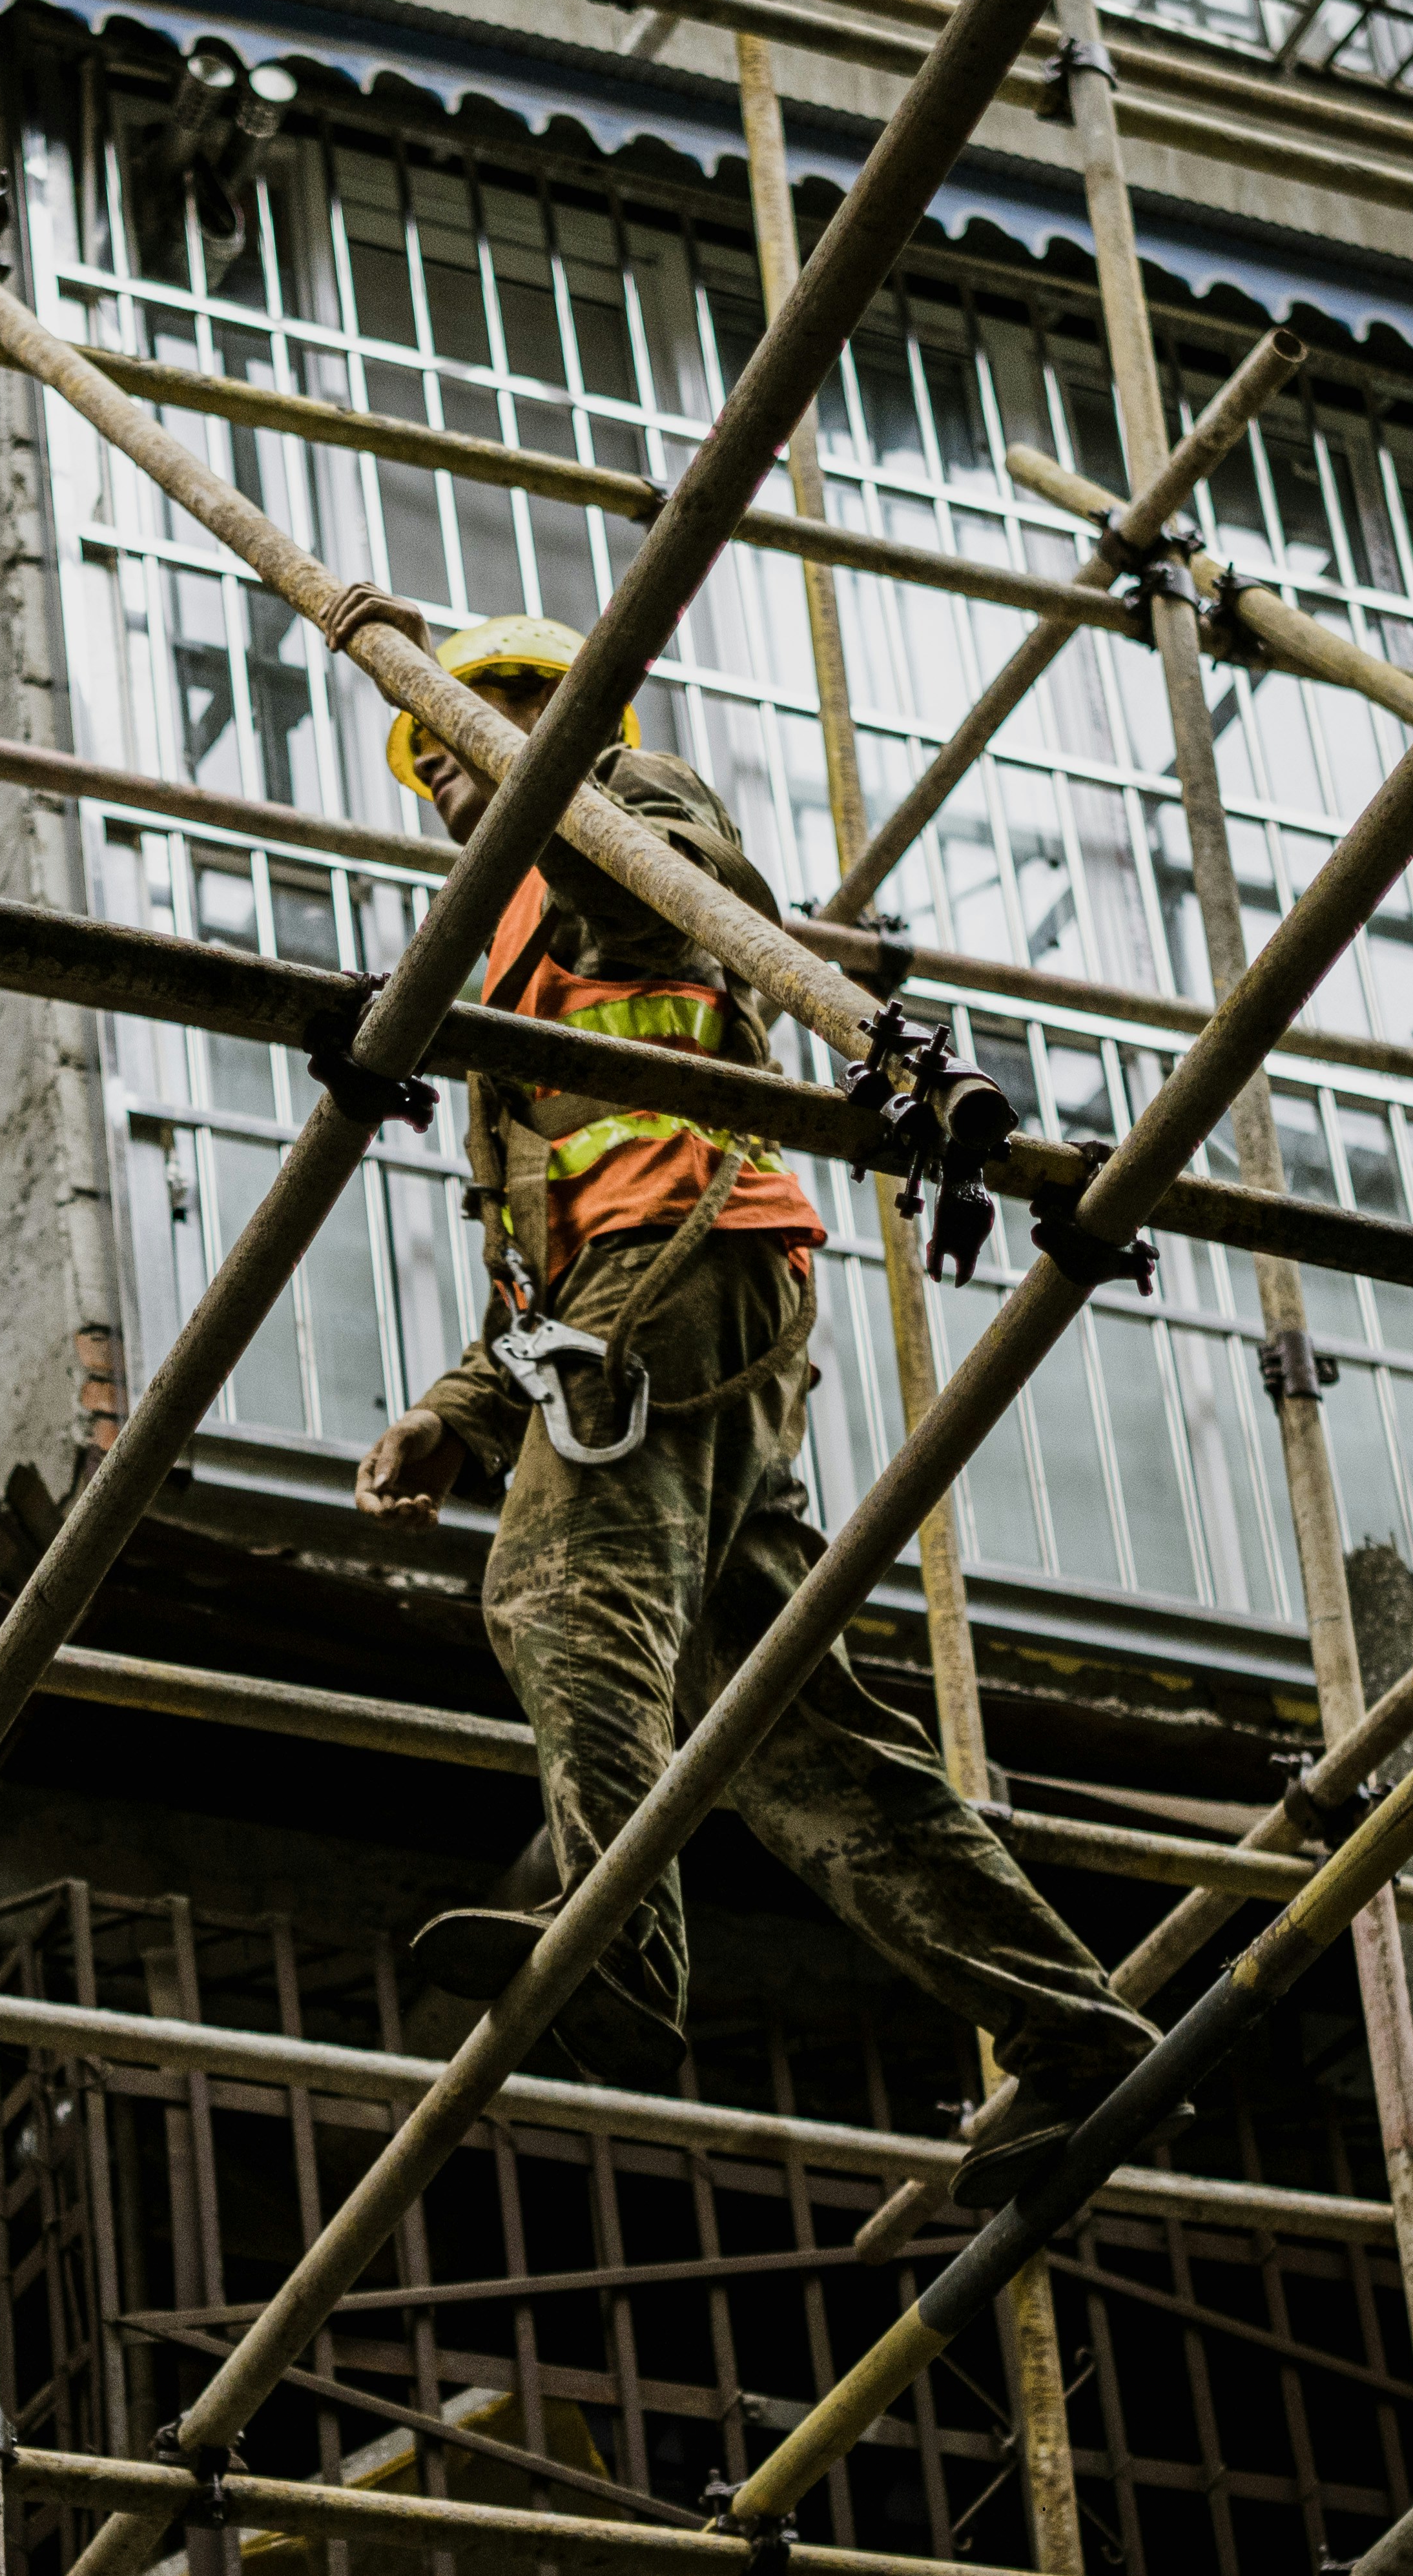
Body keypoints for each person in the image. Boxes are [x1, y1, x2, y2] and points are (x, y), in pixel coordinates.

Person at [353, 614, 1159, 2207]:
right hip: (645, 1294)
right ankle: (1075, 2037)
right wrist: (459, 1409)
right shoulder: (496, 928)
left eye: (465, 730)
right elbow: (540, 1248)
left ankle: (614, 1943)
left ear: (548, 712)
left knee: (551, 1594)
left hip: (691, 1269)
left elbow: (663, 908)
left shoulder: (631, 807)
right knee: (791, 1733)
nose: (445, 768)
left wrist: (541, 774)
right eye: (425, 755)